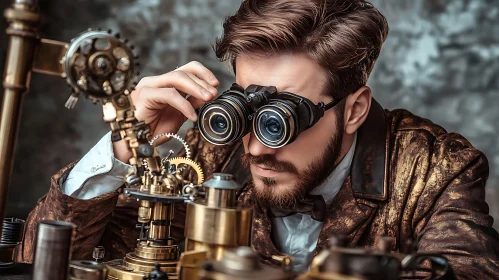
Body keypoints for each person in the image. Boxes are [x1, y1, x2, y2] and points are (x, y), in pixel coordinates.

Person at [18, 0, 499, 278]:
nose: (257, 146)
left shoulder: (436, 168)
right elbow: (37, 264)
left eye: (282, 118)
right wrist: (125, 144)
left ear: (353, 109)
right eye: (249, 109)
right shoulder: (212, 149)